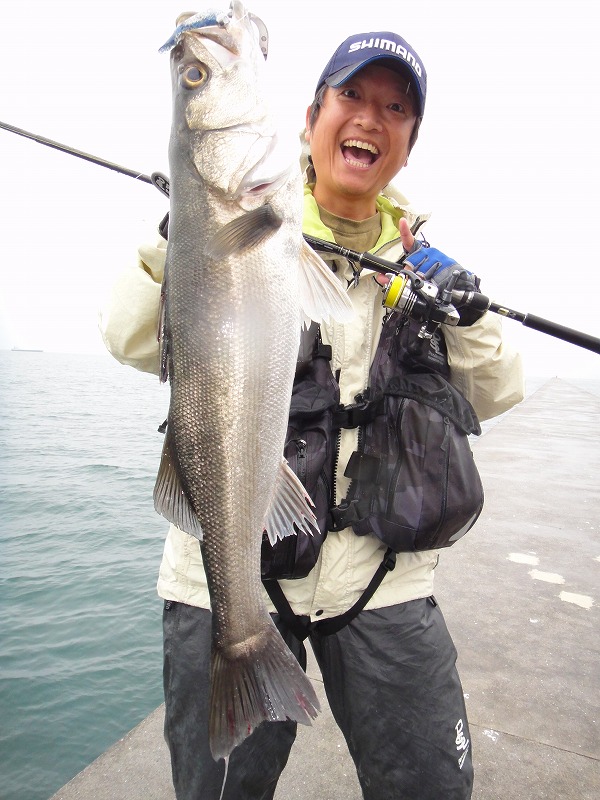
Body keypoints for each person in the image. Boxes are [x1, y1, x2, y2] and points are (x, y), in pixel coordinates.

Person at [101, 28, 523, 800]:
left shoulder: (422, 265)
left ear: (409, 143)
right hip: (223, 576)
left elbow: (496, 391)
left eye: (395, 108)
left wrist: (466, 309)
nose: (369, 117)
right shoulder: (237, 223)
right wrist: (180, 236)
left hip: (380, 582)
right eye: (351, 95)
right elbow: (128, 339)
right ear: (308, 117)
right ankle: (241, 647)